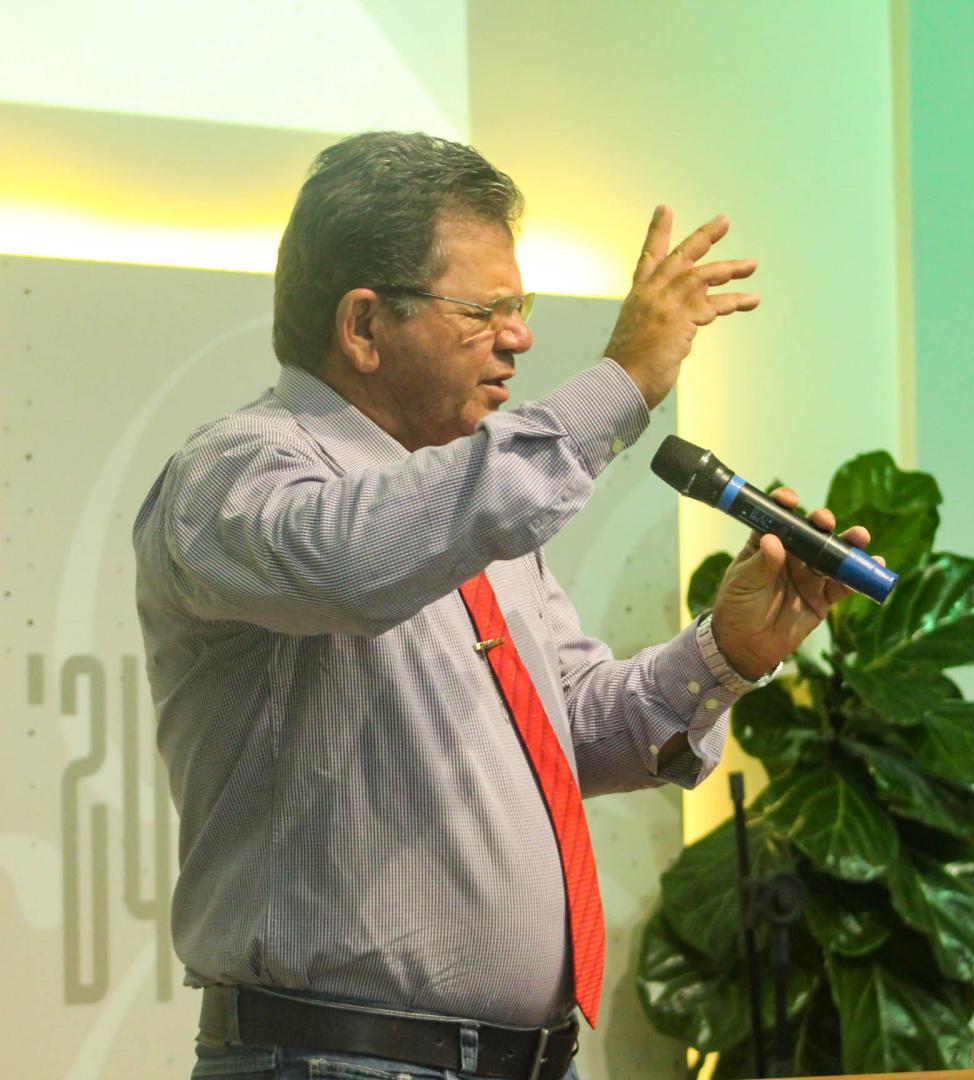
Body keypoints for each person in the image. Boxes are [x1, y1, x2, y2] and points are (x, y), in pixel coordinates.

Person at [133, 132, 873, 1080]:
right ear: (363, 327)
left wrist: (725, 651)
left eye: (519, 308)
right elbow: (356, 566)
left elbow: (574, 732)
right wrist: (622, 384)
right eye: (486, 311)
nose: (519, 338)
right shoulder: (238, 472)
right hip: (332, 1061)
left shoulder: (467, 507)